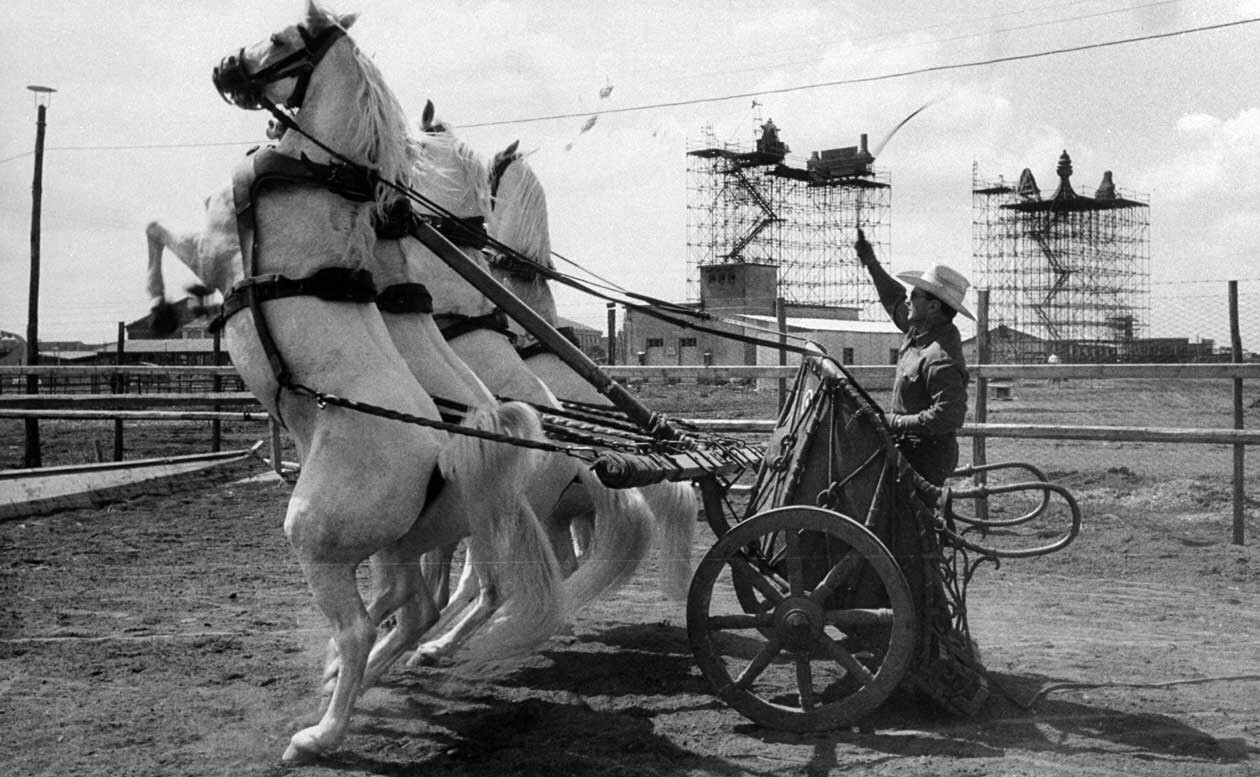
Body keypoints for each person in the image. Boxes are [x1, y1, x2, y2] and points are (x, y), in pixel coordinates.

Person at [854, 229, 973, 486]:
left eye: (914, 296)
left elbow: (949, 415)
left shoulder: (940, 357)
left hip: (926, 455)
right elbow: (893, 299)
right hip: (909, 447)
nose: (908, 301)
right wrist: (871, 263)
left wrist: (896, 421)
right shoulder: (918, 333)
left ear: (932, 307)